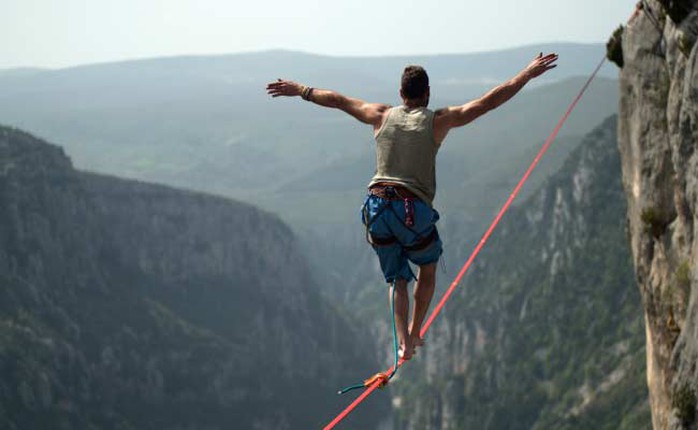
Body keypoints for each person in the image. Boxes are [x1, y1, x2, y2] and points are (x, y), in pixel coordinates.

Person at [266, 52, 558, 360]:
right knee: (428, 268)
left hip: (376, 207)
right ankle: (414, 334)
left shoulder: (379, 114)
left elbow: (338, 100)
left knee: (397, 280)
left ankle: (402, 338)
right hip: (410, 210)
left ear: (400, 95)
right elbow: (487, 103)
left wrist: (301, 90)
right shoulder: (438, 120)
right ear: (427, 94)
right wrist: (526, 74)